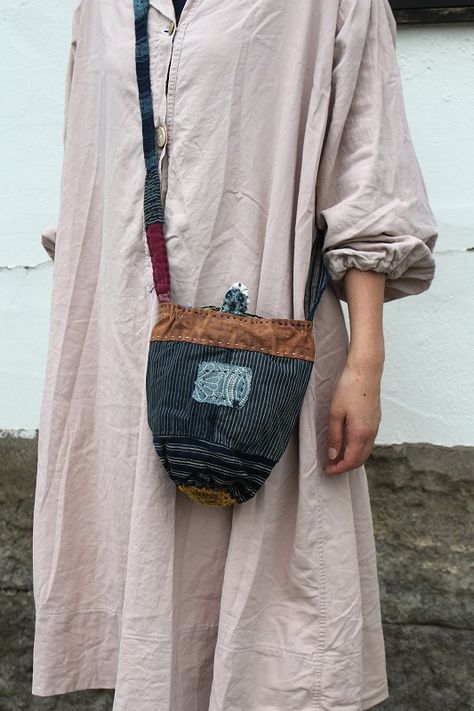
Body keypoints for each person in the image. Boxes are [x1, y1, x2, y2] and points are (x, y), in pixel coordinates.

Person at [32, 0, 437, 709]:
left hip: (270, 340)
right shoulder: (97, 8)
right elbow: (91, 170)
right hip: (127, 343)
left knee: (276, 615)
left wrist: (365, 360)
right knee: (154, 590)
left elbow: (365, 172)